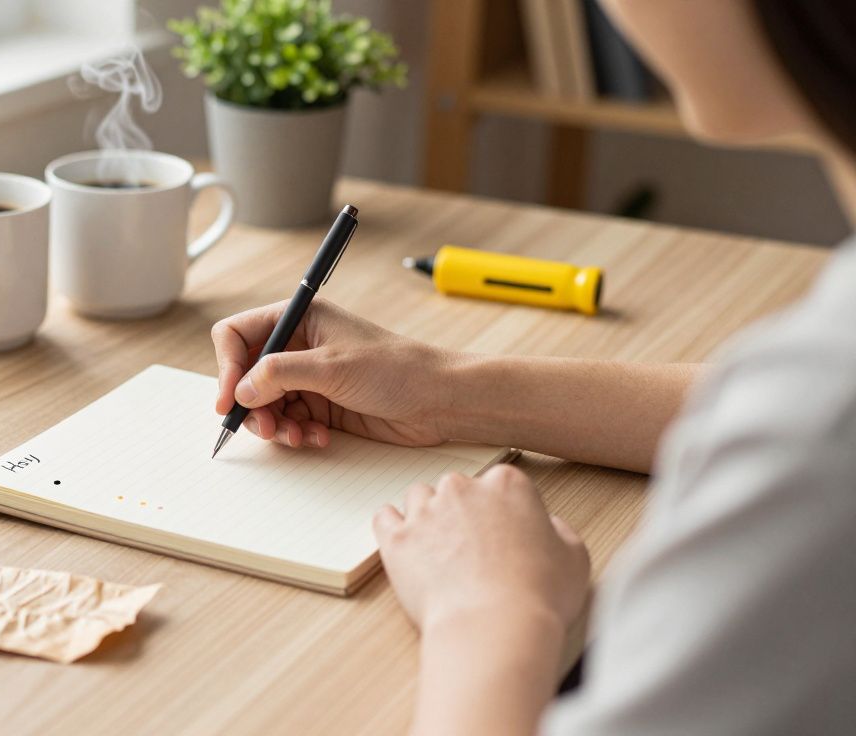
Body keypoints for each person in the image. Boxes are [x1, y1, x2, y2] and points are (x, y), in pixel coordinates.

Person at [210, 1, 856, 732]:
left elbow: (811, 423)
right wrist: (446, 391)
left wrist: (487, 612)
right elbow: (764, 403)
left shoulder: (819, 438)